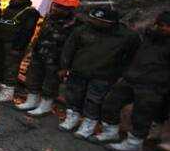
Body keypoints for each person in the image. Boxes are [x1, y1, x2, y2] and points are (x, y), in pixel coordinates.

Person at [59, 7, 141, 139]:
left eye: (98, 20)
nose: (93, 22)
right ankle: (72, 117)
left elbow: (132, 58)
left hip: (104, 74)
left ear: (109, 22)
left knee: (94, 100)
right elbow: (70, 47)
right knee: (74, 95)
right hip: (79, 69)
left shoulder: (128, 37)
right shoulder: (83, 29)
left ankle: (88, 124)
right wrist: (65, 66)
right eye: (93, 18)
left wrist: (121, 74)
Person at [97, 11, 170, 151]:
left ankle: (134, 142)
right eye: (161, 25)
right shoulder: (149, 36)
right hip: (131, 78)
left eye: (165, 26)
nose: (162, 28)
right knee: (111, 102)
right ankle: (110, 131)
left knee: (142, 115)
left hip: (153, 85)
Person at [19, 0, 80, 118]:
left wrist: (65, 66)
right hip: (40, 53)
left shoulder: (75, 25)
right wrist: (33, 50)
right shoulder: (50, 17)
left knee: (50, 83)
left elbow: (72, 46)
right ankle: (32, 101)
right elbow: (41, 35)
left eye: (61, 7)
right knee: (33, 77)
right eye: (56, 6)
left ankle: (45, 106)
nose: (56, 9)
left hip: (57, 59)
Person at [0, 0, 41, 105]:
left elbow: (27, 31)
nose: (14, 0)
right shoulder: (9, 8)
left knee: (10, 69)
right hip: (1, 42)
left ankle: (8, 92)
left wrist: (18, 47)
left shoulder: (30, 12)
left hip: (14, 46)